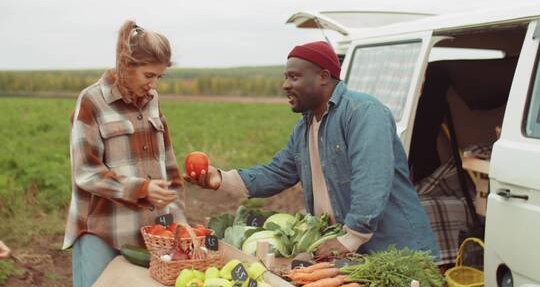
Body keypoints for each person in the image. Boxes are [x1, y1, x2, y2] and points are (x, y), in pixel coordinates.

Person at [187, 41, 440, 259]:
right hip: (350, 251)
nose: (285, 85)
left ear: (323, 76)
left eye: (294, 76)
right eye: (285, 77)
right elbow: (277, 172)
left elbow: (371, 181)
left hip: (394, 252)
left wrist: (350, 239)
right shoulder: (305, 127)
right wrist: (220, 179)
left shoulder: (363, 112)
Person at [63, 20, 187, 287]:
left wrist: (179, 219)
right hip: (102, 230)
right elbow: (86, 172)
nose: (154, 85)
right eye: (148, 75)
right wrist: (141, 189)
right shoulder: (92, 101)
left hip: (147, 231)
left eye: (159, 77)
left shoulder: (152, 102)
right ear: (126, 65)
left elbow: (169, 166)